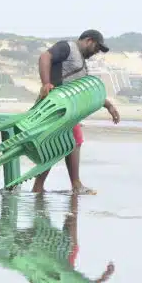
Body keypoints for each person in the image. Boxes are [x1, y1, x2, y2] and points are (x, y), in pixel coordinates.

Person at [32, 29, 120, 195]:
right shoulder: (67, 48)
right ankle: (75, 185)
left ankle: (39, 186)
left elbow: (87, 91)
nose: (96, 52)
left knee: (58, 145)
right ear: (89, 40)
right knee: (72, 141)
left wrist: (108, 105)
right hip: (55, 106)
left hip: (66, 111)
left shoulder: (82, 64)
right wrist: (46, 84)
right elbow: (45, 57)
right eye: (96, 48)